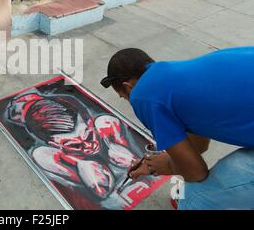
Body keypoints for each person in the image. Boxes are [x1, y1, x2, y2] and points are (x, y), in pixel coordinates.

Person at [100, 47, 254, 209]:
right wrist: (156, 162)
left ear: (129, 87)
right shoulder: (175, 73)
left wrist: (165, 165)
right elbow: (200, 144)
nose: (129, 101)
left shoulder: (142, 94)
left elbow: (196, 172)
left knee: (195, 199)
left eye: (124, 98)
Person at [3, 88, 162, 209]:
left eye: (87, 135)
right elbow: (102, 194)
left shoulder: (105, 125)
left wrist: (126, 155)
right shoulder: (47, 155)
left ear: (88, 123)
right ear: (54, 144)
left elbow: (147, 167)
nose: (88, 146)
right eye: (75, 144)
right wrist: (79, 164)